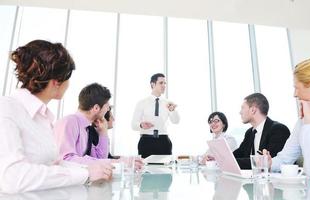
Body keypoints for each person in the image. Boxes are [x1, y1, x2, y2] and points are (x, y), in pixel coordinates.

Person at [0, 40, 112, 193]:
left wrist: (92, 167)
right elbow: (13, 177)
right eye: (68, 78)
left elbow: (53, 165)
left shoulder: (43, 117)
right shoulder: (7, 108)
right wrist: (85, 173)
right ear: (56, 82)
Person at [263, 58, 310, 177]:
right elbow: (285, 158)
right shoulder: (304, 121)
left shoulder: (309, 120)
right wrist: (269, 163)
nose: (295, 94)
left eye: (297, 88)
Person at [54, 83, 112, 164]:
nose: (108, 109)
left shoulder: (86, 128)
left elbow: (99, 158)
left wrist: (103, 132)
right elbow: (66, 159)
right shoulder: (70, 122)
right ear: (96, 108)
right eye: (107, 106)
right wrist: (110, 162)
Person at [233, 93, 290, 169]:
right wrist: (219, 158)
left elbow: (265, 162)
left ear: (253, 110)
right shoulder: (250, 133)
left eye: (243, 108)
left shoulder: (279, 130)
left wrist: (230, 162)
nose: (240, 112)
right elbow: (240, 153)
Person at [131, 73, 180, 158]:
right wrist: (141, 125)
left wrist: (173, 110)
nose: (164, 85)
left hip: (164, 141)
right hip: (146, 141)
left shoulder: (168, 103)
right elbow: (133, 125)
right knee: (145, 169)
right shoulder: (142, 103)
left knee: (165, 169)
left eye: (165, 83)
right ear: (152, 84)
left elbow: (176, 121)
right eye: (161, 83)